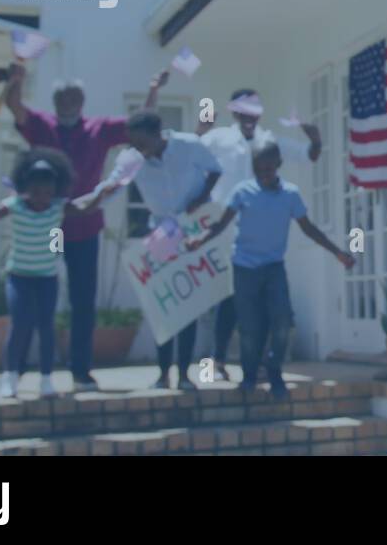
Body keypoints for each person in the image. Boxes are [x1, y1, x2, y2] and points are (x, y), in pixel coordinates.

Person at [4, 63, 168, 393]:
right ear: (55, 102)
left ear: (82, 100)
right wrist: (17, 79)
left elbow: (138, 125)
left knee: (83, 300)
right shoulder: (41, 125)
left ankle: (80, 371)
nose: (69, 103)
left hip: (85, 226)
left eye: (74, 97)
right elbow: (15, 107)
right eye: (63, 98)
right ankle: (18, 370)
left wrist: (153, 89)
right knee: (36, 297)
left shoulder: (98, 128)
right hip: (46, 227)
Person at [0, 148, 117, 398]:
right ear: (25, 187)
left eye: (47, 192)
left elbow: (85, 208)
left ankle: (46, 379)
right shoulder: (15, 205)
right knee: (20, 324)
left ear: (55, 190)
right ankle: (9, 376)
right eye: (36, 192)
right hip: (19, 277)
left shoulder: (58, 207)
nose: (42, 197)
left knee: (46, 327)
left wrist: (102, 194)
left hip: (46, 278)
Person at [184, 138, 352, 398]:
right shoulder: (242, 191)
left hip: (273, 267)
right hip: (244, 267)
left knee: (283, 321)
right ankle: (249, 376)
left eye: (269, 169)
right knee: (249, 328)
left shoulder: (290, 194)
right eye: (259, 170)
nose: (264, 175)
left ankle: (273, 369)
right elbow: (221, 224)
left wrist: (337, 252)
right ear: (253, 167)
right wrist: (200, 240)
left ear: (278, 165)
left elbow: (308, 229)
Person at [194, 88, 322, 381]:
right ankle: (217, 359)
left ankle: (261, 365)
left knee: (262, 301)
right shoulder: (220, 138)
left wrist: (315, 139)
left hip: (259, 232)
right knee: (227, 296)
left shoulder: (270, 141)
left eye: (254, 111)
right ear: (234, 112)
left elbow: (308, 155)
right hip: (224, 226)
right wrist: (202, 128)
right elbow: (193, 152)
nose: (249, 116)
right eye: (243, 111)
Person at [103, 110, 222, 390]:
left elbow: (215, 170)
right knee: (163, 304)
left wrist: (202, 198)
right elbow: (112, 186)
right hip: (160, 232)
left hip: (191, 225)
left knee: (188, 304)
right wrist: (89, 201)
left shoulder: (189, 144)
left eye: (141, 142)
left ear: (158, 134)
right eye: (133, 143)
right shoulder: (133, 159)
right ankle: (162, 373)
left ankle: (183, 374)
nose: (138, 148)